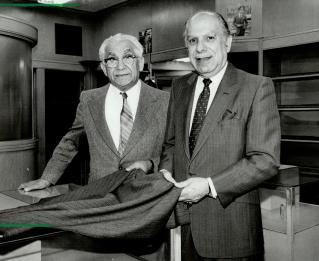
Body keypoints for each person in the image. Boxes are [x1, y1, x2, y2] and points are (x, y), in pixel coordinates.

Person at [159, 11, 280, 261]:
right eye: (193, 41)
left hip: (233, 234)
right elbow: (171, 145)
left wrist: (209, 186)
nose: (200, 48)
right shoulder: (180, 88)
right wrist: (165, 173)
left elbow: (265, 161)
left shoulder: (256, 87)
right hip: (188, 229)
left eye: (209, 38)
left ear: (227, 42)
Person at [19, 33, 169, 193]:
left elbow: (175, 150)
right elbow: (71, 142)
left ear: (140, 63)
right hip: (99, 195)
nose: (120, 66)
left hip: (147, 195)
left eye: (128, 57)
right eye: (112, 59)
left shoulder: (165, 101)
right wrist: (47, 178)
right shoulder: (89, 100)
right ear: (104, 68)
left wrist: (150, 164)